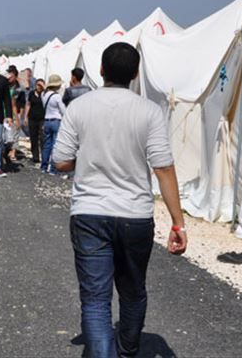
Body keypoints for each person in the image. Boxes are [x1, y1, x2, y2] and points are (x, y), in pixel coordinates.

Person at [53, 42, 188, 358]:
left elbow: (60, 161)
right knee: (132, 292)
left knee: (96, 298)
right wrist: (178, 222)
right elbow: (163, 167)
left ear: (100, 70)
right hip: (135, 214)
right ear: (136, 73)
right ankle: (127, 351)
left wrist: (87, 159)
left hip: (88, 213)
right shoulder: (149, 111)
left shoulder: (80, 107)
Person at [40, 74, 66, 175]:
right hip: (56, 121)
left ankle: (44, 166)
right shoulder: (57, 96)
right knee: (55, 146)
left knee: (47, 145)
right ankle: (53, 169)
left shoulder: (43, 94)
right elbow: (63, 110)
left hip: (46, 121)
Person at [25, 78, 46, 164]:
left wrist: (44, 88)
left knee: (42, 138)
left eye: (41, 85)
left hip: (42, 118)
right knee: (33, 138)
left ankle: (44, 156)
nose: (39, 87)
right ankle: (35, 157)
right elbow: (28, 105)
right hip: (32, 118)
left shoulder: (45, 95)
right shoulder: (31, 94)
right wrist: (25, 116)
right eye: (38, 85)